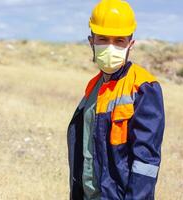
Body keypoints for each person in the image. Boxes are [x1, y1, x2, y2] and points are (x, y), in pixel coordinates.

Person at [67, 0, 165, 199]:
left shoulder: (143, 87)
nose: (110, 47)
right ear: (91, 41)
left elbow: (146, 162)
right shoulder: (93, 87)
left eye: (119, 40)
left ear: (131, 44)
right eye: (103, 38)